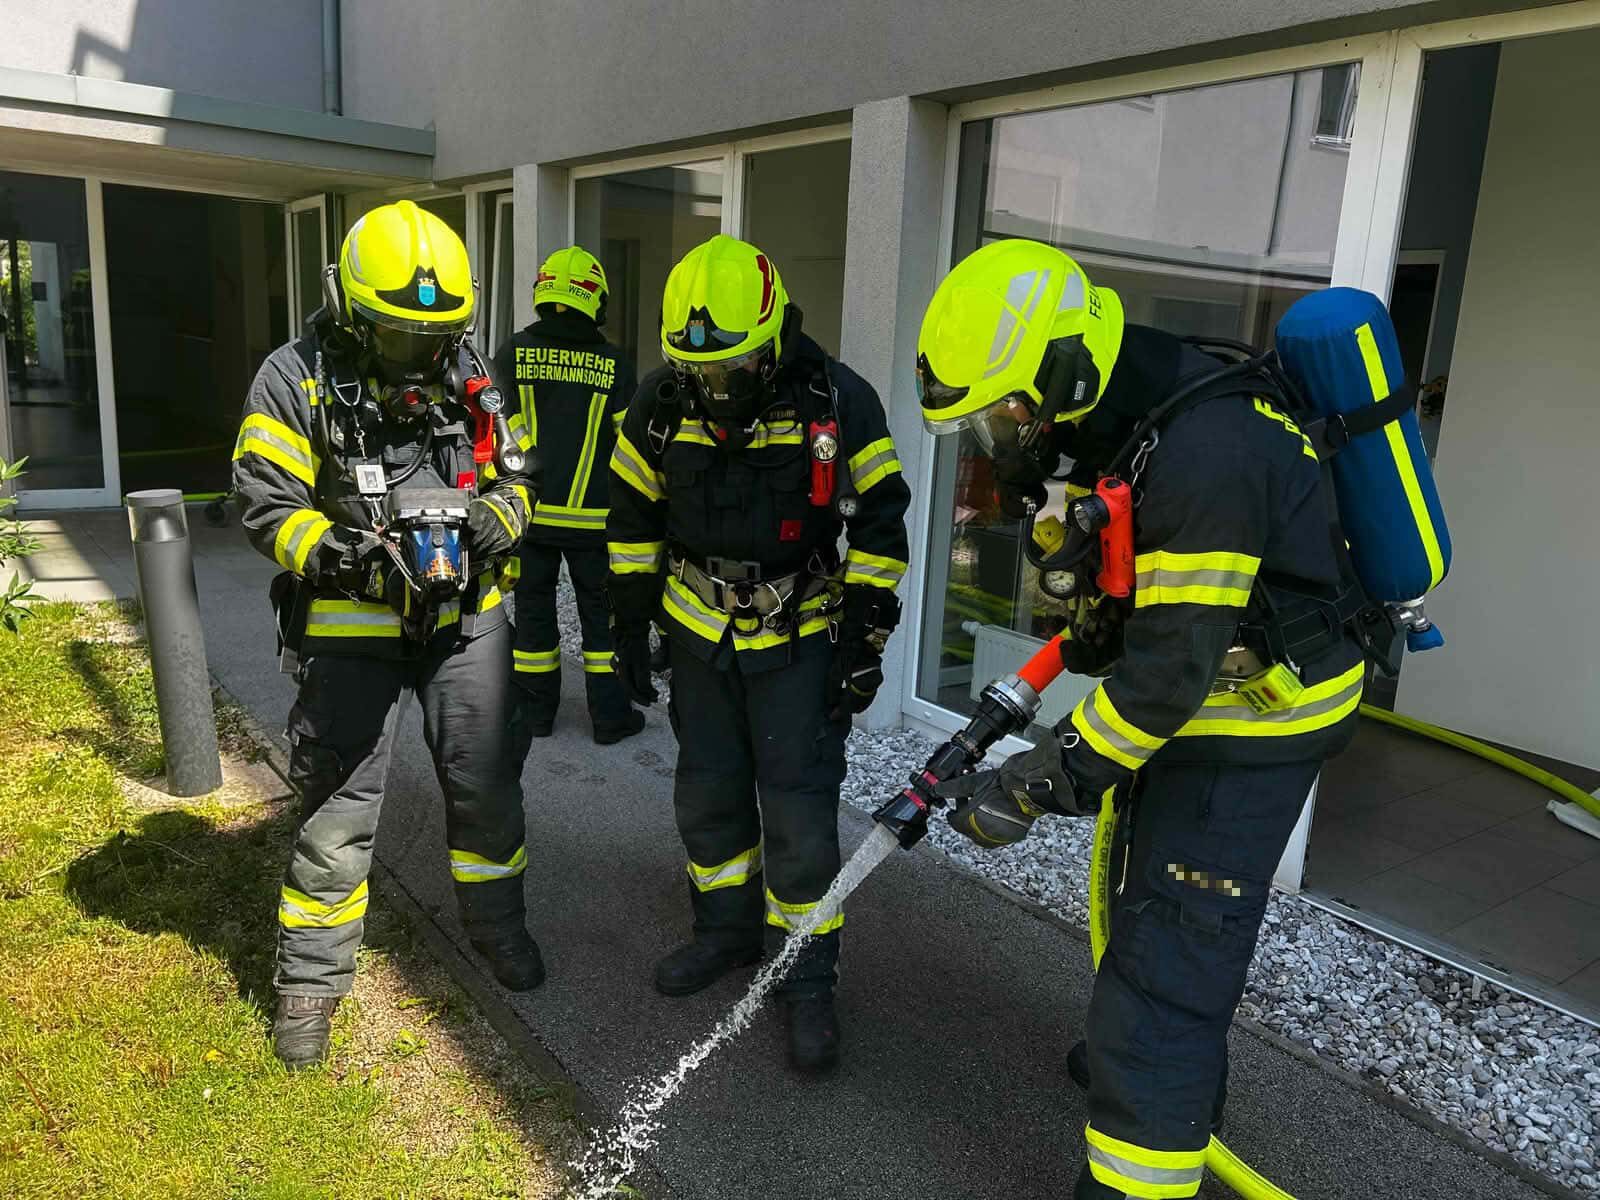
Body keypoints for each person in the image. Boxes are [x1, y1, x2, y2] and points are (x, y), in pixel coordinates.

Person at [917, 239, 1363, 1199]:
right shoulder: (1131, 407)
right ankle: (1168, 1073)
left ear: (1062, 369)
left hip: (1252, 728)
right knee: (1150, 914)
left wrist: (1033, 783)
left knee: (1167, 966)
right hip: (1208, 692)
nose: (1001, 442)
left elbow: (1164, 684)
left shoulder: (1207, 452)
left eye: (1004, 414)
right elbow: (1144, 606)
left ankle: (1140, 1164)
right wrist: (1089, 620)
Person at [233, 200, 542, 1071]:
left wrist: (494, 521)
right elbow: (264, 505)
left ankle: (498, 928)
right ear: (349, 309)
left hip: (464, 620)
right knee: (337, 808)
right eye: (400, 335)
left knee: (485, 787)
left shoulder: (471, 369)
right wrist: (338, 559)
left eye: (436, 334)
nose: (423, 354)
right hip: (352, 620)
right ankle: (309, 988)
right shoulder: (293, 379)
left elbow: (520, 482)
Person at [605, 235, 911, 1072]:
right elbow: (629, 519)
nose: (715, 389)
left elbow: (881, 523)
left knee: (800, 814)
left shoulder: (837, 402)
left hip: (799, 641)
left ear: (773, 341)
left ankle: (806, 977)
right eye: (700, 373)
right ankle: (726, 934)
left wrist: (863, 641)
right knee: (707, 799)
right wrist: (626, 632)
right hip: (699, 639)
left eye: (733, 371)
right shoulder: (660, 404)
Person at [492, 246, 642, 751]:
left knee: (533, 616)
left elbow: (495, 430)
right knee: (603, 623)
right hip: (596, 524)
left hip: (528, 517)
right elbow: (631, 447)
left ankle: (535, 714)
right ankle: (610, 719)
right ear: (594, 299)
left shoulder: (511, 353)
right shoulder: (614, 362)